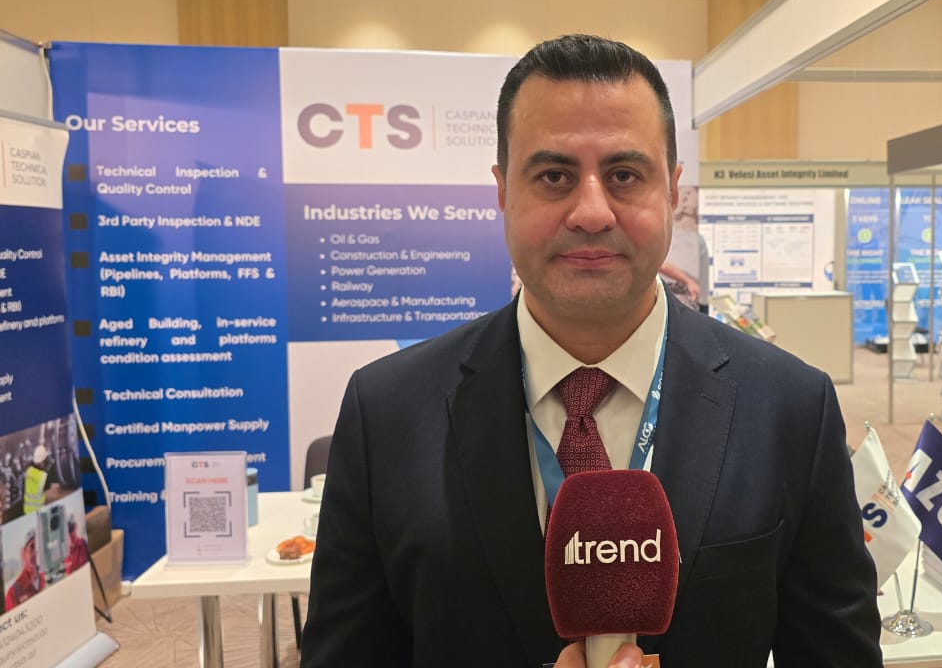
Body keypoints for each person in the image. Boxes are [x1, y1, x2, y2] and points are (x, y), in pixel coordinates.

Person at [302, 34, 881, 667]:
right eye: (553, 176)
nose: (591, 211)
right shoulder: (387, 412)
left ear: (672, 191)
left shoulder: (790, 408)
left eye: (624, 175)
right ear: (502, 191)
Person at [5, 530, 45, 610]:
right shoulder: (13, 593)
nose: (36, 552)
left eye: (38, 546)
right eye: (32, 547)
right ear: (24, 553)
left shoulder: (45, 578)